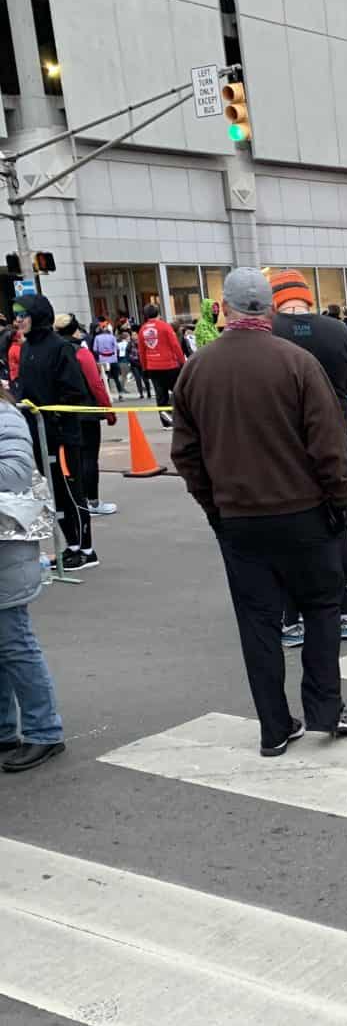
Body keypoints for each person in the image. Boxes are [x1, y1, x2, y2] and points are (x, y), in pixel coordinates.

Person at [171, 268, 347, 756]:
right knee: (321, 607)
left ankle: (274, 728)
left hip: (238, 518)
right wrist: (338, 502)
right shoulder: (296, 363)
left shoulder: (197, 369)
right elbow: (329, 447)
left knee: (258, 621)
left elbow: (186, 453)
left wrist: (214, 506)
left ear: (224, 309)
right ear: (270, 309)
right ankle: (324, 710)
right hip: (305, 512)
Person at [270, 269, 347, 643]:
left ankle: (291, 618)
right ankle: (343, 612)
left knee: (287, 532)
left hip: (284, 449)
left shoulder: (268, 334)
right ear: (307, 297)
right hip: (335, 441)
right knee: (337, 528)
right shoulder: (337, 330)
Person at [0, 382, 66, 773]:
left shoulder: (6, 415)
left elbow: (15, 473)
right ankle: (6, 729)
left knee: (16, 644)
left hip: (7, 549)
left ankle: (44, 731)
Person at [11, 296, 96, 570]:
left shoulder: (60, 348)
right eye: (15, 315)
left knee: (72, 492)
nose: (17, 320)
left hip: (61, 435)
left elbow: (75, 392)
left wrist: (56, 419)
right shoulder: (26, 349)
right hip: (38, 433)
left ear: (37, 315)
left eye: (23, 314)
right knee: (53, 493)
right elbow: (26, 388)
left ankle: (86, 549)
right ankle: (70, 545)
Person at [53, 314, 119, 517]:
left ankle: (77, 501)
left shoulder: (54, 353)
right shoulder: (82, 353)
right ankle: (93, 502)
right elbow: (96, 384)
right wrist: (108, 410)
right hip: (86, 412)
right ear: (75, 330)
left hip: (62, 413)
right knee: (89, 458)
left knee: (73, 460)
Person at [136, 302, 186, 427]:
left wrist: (144, 367)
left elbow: (141, 351)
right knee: (178, 392)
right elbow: (175, 346)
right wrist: (183, 362)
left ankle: (166, 422)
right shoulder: (165, 327)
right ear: (158, 313)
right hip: (169, 365)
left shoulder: (142, 330)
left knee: (160, 395)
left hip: (152, 366)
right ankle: (181, 418)